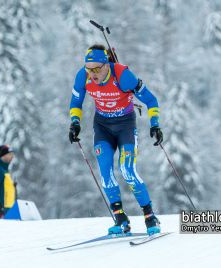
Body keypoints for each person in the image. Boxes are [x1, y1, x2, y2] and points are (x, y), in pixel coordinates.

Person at [68, 44, 164, 235]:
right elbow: (76, 102)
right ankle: (120, 218)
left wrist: (155, 124)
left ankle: (150, 216)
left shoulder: (123, 75)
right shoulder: (83, 76)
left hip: (125, 126)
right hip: (102, 126)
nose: (92, 73)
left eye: (96, 68)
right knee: (105, 172)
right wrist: (75, 123)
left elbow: (151, 100)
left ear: (106, 65)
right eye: (89, 68)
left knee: (127, 170)